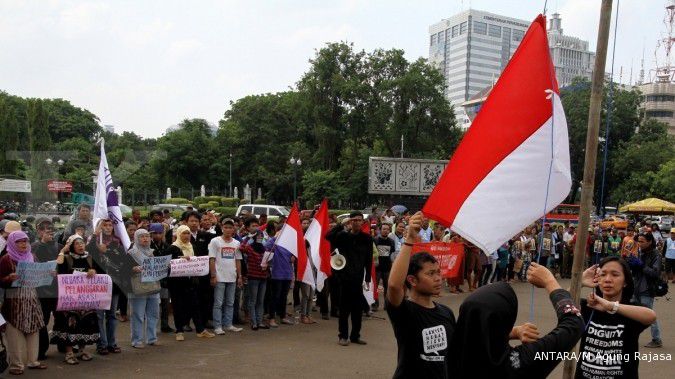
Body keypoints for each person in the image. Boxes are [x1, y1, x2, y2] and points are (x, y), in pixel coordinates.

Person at [449, 262, 584, 378]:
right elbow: (574, 324)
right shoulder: (520, 361)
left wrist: (513, 332)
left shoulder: (449, 355)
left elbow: (480, 332)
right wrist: (549, 281)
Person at [386, 212, 455, 378]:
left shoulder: (446, 313)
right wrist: (409, 239)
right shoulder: (404, 312)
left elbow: (465, 342)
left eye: (438, 272)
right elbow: (394, 285)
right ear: (412, 280)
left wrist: (511, 333)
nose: (438, 278)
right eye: (431, 274)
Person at [576, 257, 657, 379]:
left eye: (615, 275)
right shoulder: (587, 307)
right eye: (603, 274)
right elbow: (561, 304)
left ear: (625, 281)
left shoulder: (630, 311)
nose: (608, 279)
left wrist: (611, 306)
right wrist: (579, 282)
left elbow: (651, 316)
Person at [0, 231, 47, 374]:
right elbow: (0, 280)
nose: (23, 244)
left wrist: (47, 273)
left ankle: (33, 361)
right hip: (13, 300)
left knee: (34, 330)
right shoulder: (6, 259)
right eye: (19, 242)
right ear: (12, 243)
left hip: (31, 298)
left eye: (25, 241)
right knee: (15, 333)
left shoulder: (32, 257)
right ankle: (16, 365)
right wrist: (9, 278)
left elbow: (40, 274)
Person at [51, 235, 101, 365]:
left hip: (85, 300)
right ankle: (69, 352)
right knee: (70, 324)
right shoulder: (66, 258)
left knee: (85, 324)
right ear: (71, 245)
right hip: (69, 300)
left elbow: (97, 271)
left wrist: (93, 271)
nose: (80, 246)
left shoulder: (89, 258)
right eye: (77, 243)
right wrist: (63, 251)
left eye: (82, 243)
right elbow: (59, 271)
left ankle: (82, 350)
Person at [326, 211, 373, 346]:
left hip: (358, 278)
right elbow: (328, 236)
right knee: (344, 309)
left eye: (359, 220)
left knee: (357, 310)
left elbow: (369, 259)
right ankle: (343, 336)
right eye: (354, 220)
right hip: (343, 278)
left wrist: (368, 278)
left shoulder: (367, 238)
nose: (357, 222)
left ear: (362, 222)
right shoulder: (342, 236)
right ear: (350, 222)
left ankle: (355, 336)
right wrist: (341, 225)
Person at [167, 225, 215, 340]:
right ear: (178, 234)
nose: (186, 236)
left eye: (188, 233)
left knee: (195, 305)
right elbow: (168, 264)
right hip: (177, 283)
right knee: (178, 306)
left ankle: (200, 329)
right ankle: (179, 331)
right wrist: (181, 260)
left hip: (191, 281)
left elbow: (197, 261)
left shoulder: (192, 246)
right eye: (184, 233)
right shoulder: (172, 248)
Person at [87, 219, 126, 355]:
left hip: (114, 284)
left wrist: (107, 251)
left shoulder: (118, 242)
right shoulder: (94, 241)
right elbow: (87, 251)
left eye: (110, 225)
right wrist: (95, 238)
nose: (108, 228)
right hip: (98, 285)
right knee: (99, 315)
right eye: (105, 225)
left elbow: (122, 260)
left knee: (111, 315)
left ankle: (111, 343)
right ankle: (101, 344)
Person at [127, 229, 162, 348]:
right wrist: (133, 269)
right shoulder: (131, 253)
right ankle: (137, 340)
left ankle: (152, 338)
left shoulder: (152, 251)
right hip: (138, 288)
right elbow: (123, 270)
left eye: (147, 236)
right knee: (138, 314)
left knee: (154, 313)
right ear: (136, 238)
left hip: (153, 286)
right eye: (142, 236)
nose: (146, 239)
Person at [31, 219, 61, 360]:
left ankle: (62, 344)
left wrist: (58, 271)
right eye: (44, 229)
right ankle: (41, 350)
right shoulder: (34, 246)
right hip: (42, 290)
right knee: (42, 321)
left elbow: (64, 264)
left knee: (61, 318)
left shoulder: (59, 247)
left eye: (50, 229)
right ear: (38, 231)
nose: (48, 232)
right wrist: (43, 243)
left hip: (58, 290)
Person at [208, 218, 243, 334]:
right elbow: (212, 259)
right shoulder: (215, 241)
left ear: (234, 229)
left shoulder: (237, 243)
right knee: (218, 303)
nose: (228, 229)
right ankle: (218, 326)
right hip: (219, 277)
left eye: (230, 227)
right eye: (226, 227)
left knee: (230, 302)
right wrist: (213, 275)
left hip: (232, 277)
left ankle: (228, 324)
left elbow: (238, 260)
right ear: (222, 227)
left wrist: (239, 276)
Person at [630, 232, 663, 348]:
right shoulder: (640, 252)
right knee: (631, 313)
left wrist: (642, 266)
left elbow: (655, 273)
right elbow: (636, 271)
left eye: (642, 241)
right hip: (636, 287)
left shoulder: (656, 255)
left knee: (649, 315)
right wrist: (632, 265)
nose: (639, 243)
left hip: (647, 289)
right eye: (638, 241)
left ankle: (657, 339)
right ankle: (629, 336)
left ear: (649, 242)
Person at [265, 229, 296, 326]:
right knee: (275, 297)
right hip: (276, 274)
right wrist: (275, 237)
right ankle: (272, 318)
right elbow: (266, 246)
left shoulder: (290, 245)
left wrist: (294, 256)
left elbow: (295, 255)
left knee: (283, 297)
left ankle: (283, 317)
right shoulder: (275, 243)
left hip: (287, 274)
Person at [148, 223, 174, 333]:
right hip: (151, 279)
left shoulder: (166, 246)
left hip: (164, 279)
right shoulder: (148, 246)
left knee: (165, 303)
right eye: (155, 233)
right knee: (152, 304)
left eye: (160, 233)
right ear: (150, 234)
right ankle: (151, 327)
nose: (158, 235)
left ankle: (164, 324)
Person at [372, 223, 395, 311]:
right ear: (379, 230)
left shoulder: (391, 242)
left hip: (387, 268)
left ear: (389, 231)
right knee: (375, 287)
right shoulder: (375, 240)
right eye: (384, 229)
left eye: (387, 229)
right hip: (377, 268)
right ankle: (375, 305)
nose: (385, 231)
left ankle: (387, 305)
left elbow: (392, 253)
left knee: (387, 287)